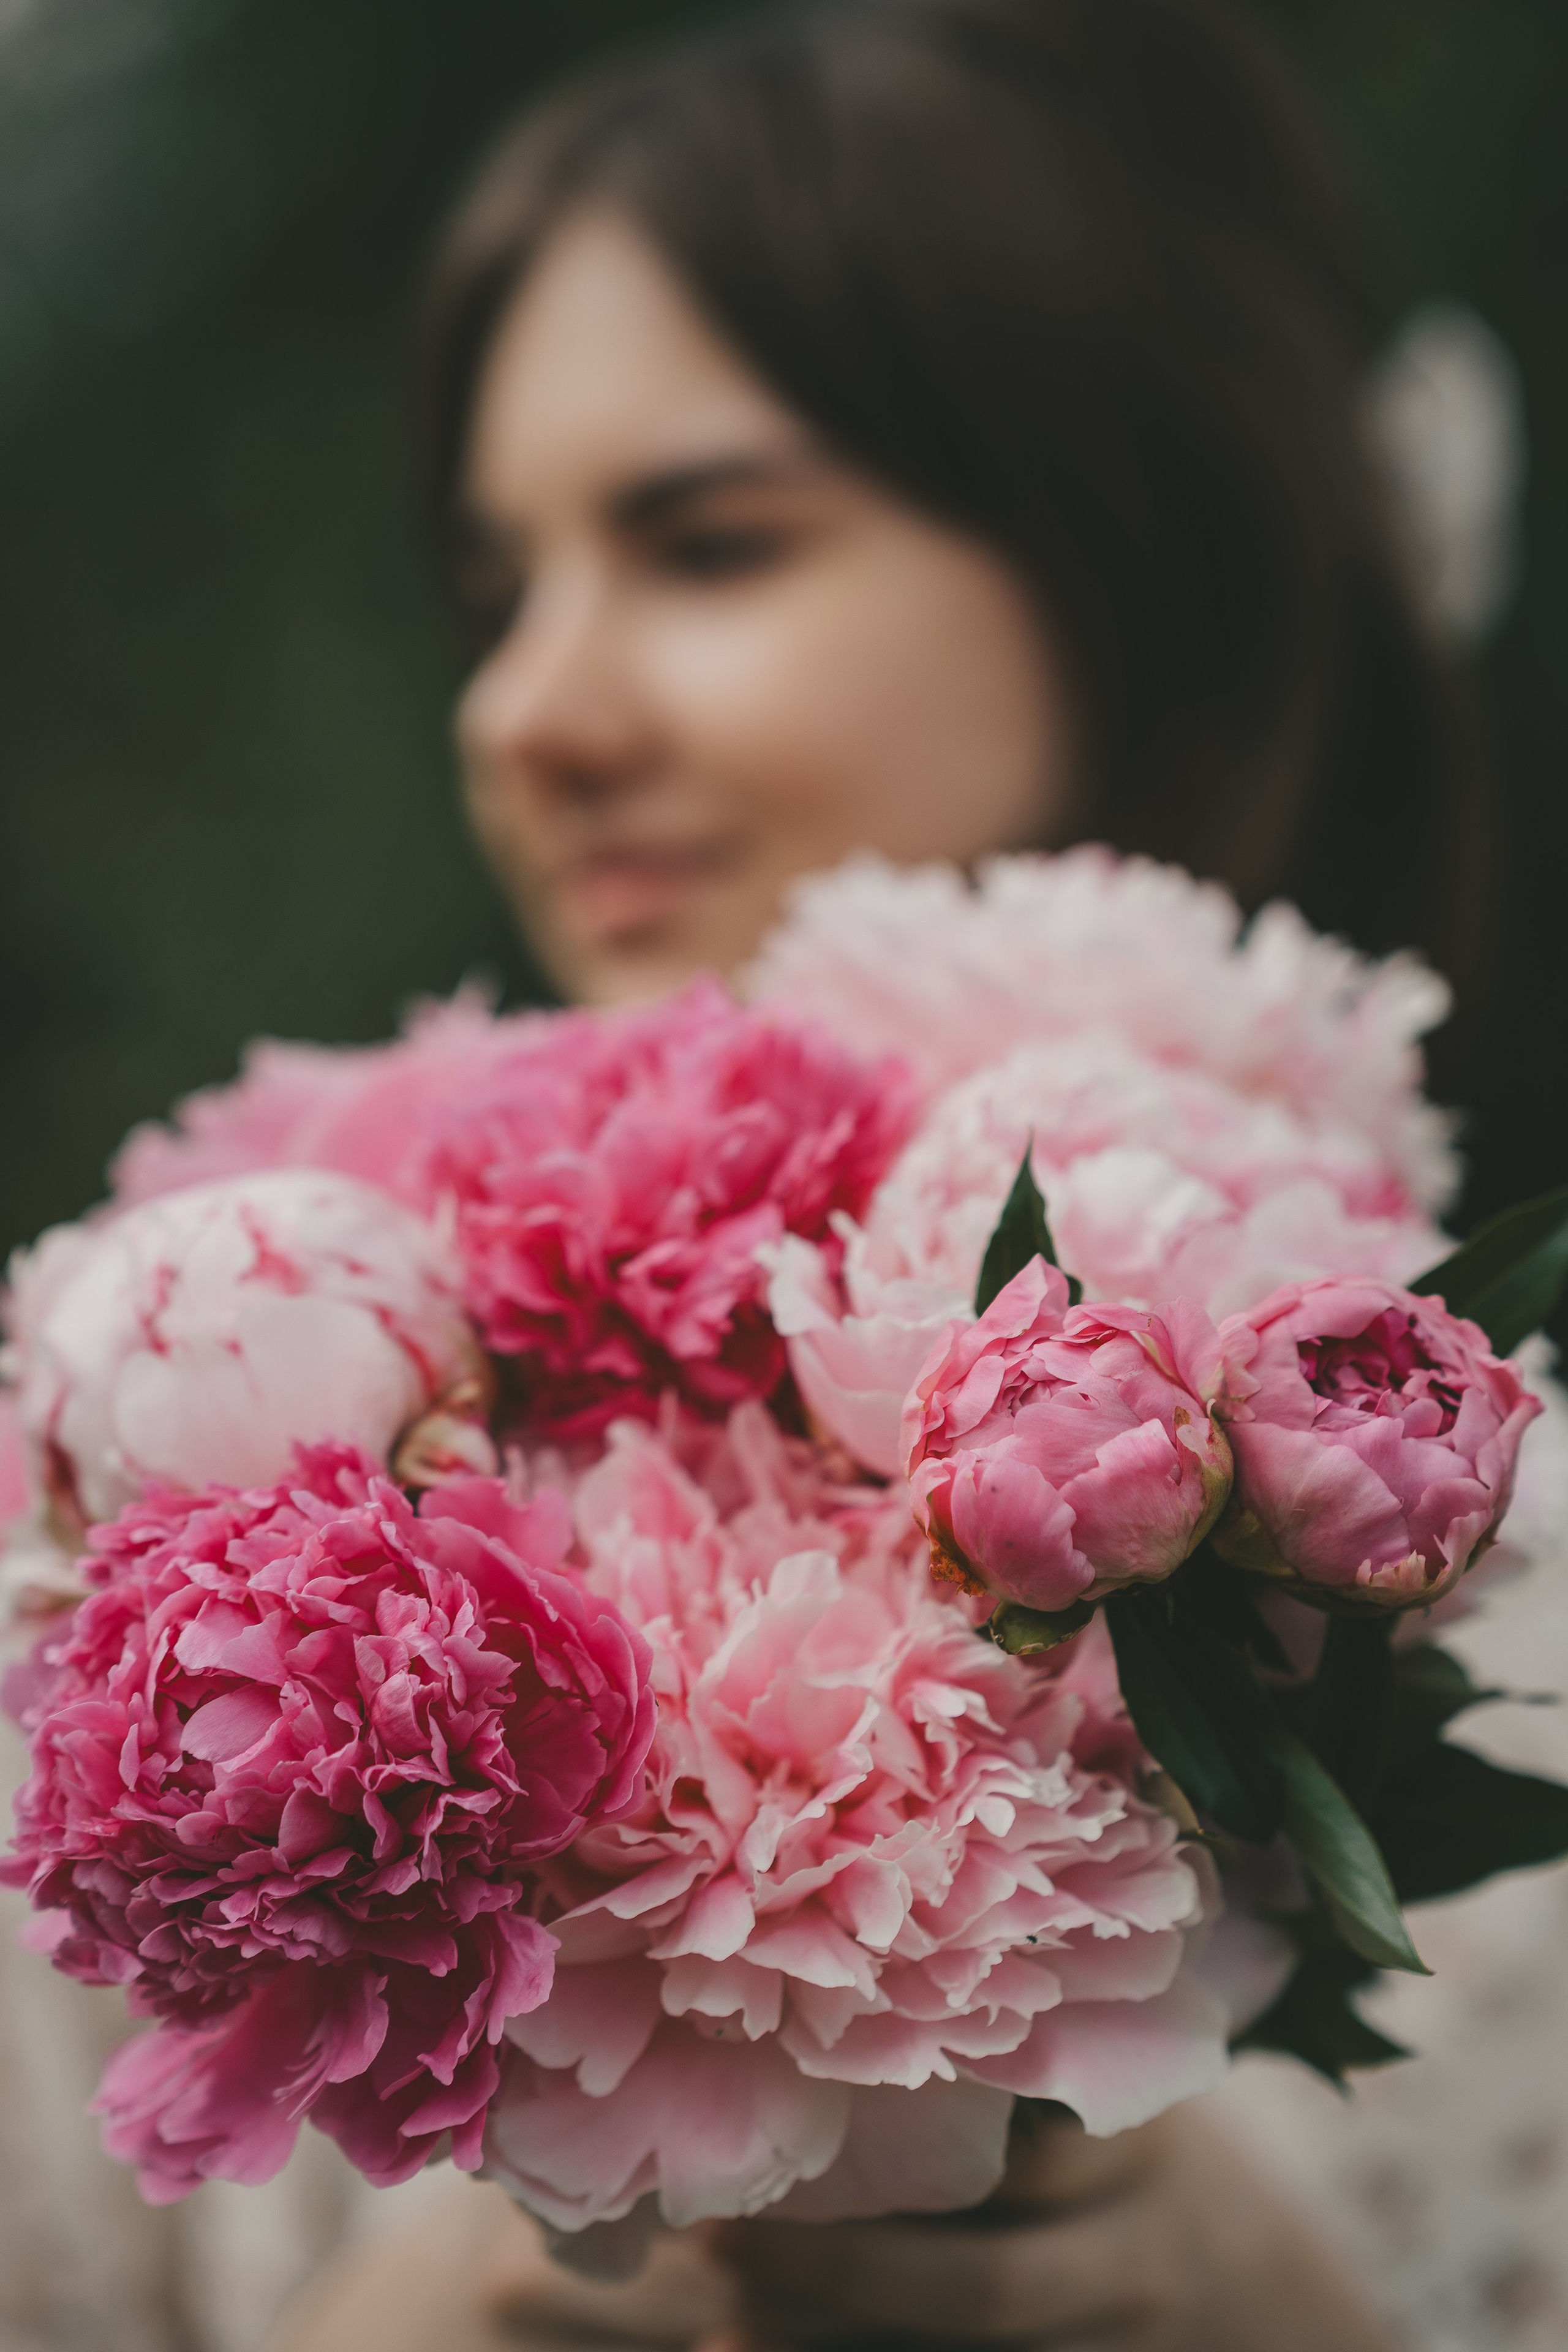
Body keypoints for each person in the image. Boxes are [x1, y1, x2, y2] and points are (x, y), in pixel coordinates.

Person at [265, 2, 1524, 2346]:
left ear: (1134, 551)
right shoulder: (220, 1521)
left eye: (710, 544)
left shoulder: (1503, 1570)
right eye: (498, 587)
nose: (523, 712)